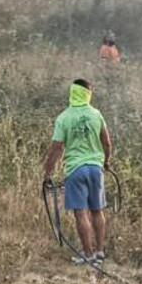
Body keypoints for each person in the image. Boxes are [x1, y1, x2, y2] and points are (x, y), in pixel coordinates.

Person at [43, 79, 114, 263]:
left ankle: (88, 255)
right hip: (96, 169)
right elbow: (107, 142)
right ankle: (99, 252)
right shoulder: (96, 114)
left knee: (81, 213)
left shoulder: (64, 118)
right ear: (87, 94)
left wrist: (48, 172)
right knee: (97, 211)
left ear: (73, 93)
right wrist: (106, 162)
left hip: (75, 170)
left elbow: (57, 148)